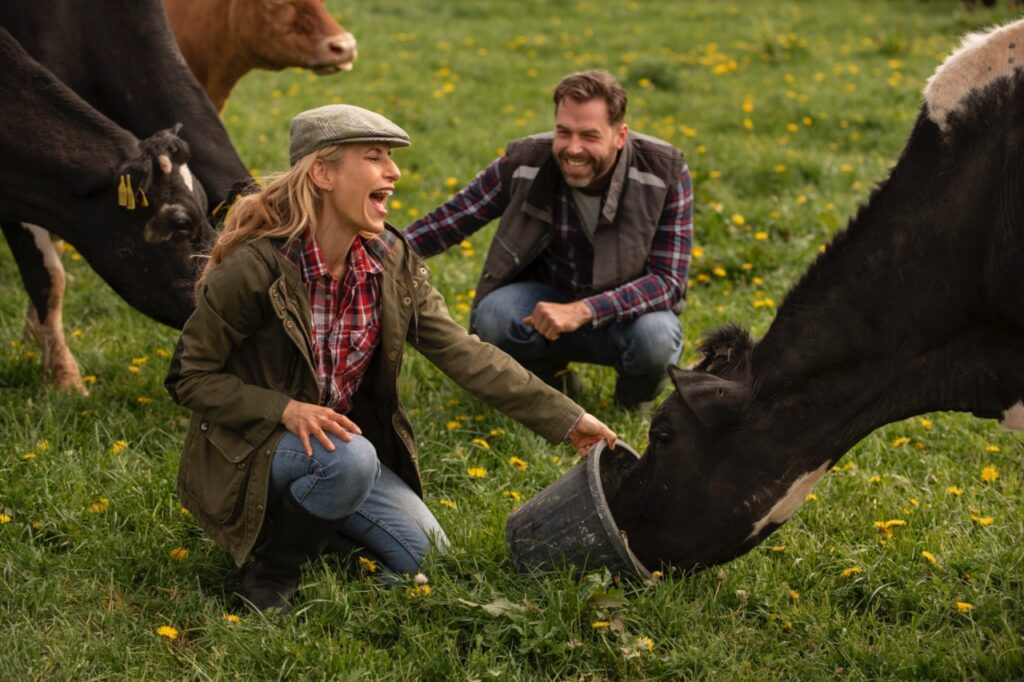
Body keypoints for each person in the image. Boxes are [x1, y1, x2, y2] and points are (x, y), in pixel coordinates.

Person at [164, 104, 616, 613]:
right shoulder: (256, 268)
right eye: (375, 158)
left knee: (429, 557)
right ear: (323, 173)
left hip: (336, 448)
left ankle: (307, 523)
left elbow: (467, 354)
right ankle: (273, 573)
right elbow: (189, 377)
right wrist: (285, 410)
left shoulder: (390, 264)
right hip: (253, 448)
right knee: (352, 458)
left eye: (391, 160)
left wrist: (569, 419)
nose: (394, 172)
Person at [405, 70, 693, 409]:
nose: (573, 149)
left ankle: (631, 403)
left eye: (589, 136)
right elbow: (452, 219)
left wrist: (585, 310)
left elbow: (667, 282)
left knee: (657, 338)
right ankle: (553, 383)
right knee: (494, 316)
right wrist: (375, 250)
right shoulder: (526, 161)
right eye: (563, 132)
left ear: (620, 136)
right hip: (543, 308)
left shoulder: (664, 172)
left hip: (624, 319)